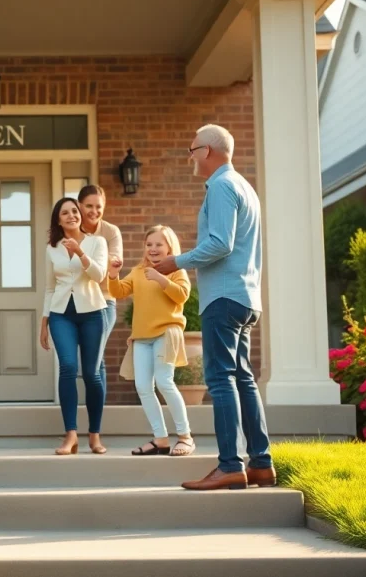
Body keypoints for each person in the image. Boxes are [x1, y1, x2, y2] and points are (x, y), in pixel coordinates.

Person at [154, 124, 274, 490]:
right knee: (243, 380)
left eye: (192, 150)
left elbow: (221, 243)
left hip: (223, 298)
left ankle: (230, 466)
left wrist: (177, 261)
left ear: (207, 150)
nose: (190, 158)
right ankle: (261, 464)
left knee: (221, 380)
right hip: (245, 297)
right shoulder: (244, 187)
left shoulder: (221, 187)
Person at [108, 225, 196, 457]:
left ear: (169, 247)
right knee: (143, 387)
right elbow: (118, 292)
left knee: (165, 382)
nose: (153, 249)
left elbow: (182, 295)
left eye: (158, 244)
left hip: (166, 333)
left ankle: (185, 437)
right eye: (149, 244)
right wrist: (113, 274)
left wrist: (160, 278)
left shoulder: (176, 270)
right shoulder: (138, 271)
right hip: (141, 338)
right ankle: (161, 439)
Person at [39, 198, 109, 455]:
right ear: (58, 220)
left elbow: (99, 276)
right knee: (68, 368)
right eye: (65, 213)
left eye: (74, 211)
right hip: (61, 314)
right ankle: (70, 435)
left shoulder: (97, 242)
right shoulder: (52, 248)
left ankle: (94, 436)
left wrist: (80, 251)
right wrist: (44, 321)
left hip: (92, 313)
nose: (71, 215)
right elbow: (50, 287)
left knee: (91, 374)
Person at [77, 185, 123, 397]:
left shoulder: (110, 232)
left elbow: (107, 269)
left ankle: (97, 417)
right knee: (95, 359)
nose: (94, 211)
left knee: (93, 361)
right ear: (79, 205)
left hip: (104, 301)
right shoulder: (72, 229)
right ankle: (97, 418)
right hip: (77, 300)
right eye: (89, 206)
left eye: (98, 206)